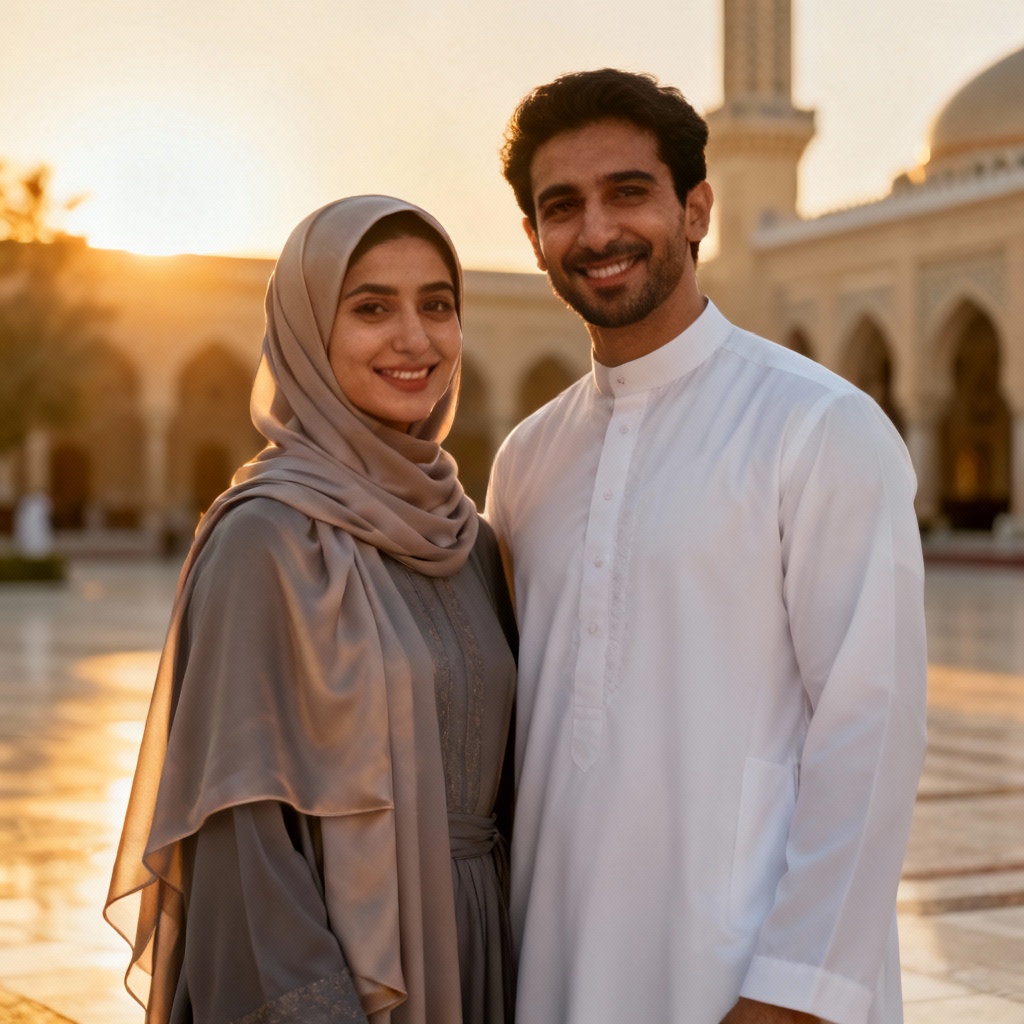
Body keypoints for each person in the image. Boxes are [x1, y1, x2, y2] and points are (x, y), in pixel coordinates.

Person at [486, 69, 927, 1024]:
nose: (597, 232)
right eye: (562, 207)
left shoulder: (818, 427)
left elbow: (871, 728)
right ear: (533, 241)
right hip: (555, 962)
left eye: (629, 193)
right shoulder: (527, 460)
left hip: (744, 975)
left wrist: (795, 991)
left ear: (697, 209)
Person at [106, 195, 517, 1024]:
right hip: (342, 977)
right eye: (370, 308)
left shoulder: (470, 541)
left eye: (437, 305)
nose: (415, 338)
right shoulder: (263, 538)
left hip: (482, 954)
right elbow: (240, 843)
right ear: (304, 333)